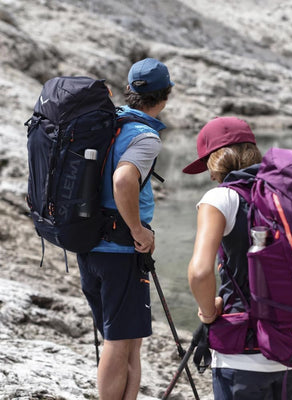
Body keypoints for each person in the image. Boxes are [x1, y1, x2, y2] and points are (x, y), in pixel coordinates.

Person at [183, 116, 292, 400]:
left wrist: (208, 312)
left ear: (217, 159)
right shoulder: (291, 195)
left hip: (242, 354)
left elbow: (200, 272)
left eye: (207, 163)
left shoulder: (221, 198)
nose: (208, 173)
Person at [77, 58, 174, 400]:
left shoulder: (107, 123)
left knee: (129, 340)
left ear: (129, 91)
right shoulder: (144, 136)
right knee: (119, 344)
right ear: (167, 95)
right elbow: (122, 180)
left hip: (89, 244)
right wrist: (138, 231)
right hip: (120, 251)